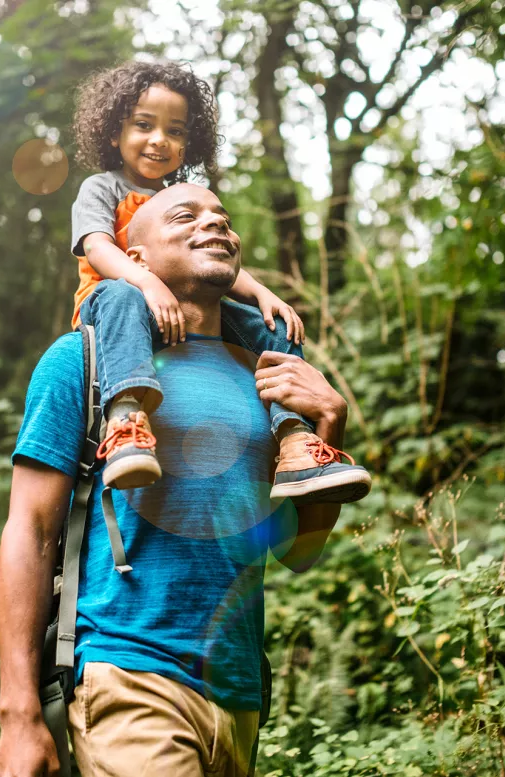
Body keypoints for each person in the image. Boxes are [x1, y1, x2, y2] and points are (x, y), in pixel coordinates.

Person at [0, 184, 363, 777]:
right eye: (186, 216)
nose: (216, 224)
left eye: (224, 217)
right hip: (126, 673)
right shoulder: (80, 360)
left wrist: (329, 425)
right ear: (134, 259)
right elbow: (29, 531)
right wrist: (19, 714)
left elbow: (299, 552)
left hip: (240, 698)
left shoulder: (269, 380)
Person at [68, 60, 370, 503]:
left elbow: (214, 262)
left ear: (189, 144)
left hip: (182, 312)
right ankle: (127, 419)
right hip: (116, 311)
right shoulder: (103, 188)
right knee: (119, 294)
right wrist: (146, 282)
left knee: (273, 327)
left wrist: (264, 295)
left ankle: (294, 440)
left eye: (175, 131)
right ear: (114, 133)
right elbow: (97, 248)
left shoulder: (184, 194)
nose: (159, 140)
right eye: (144, 125)